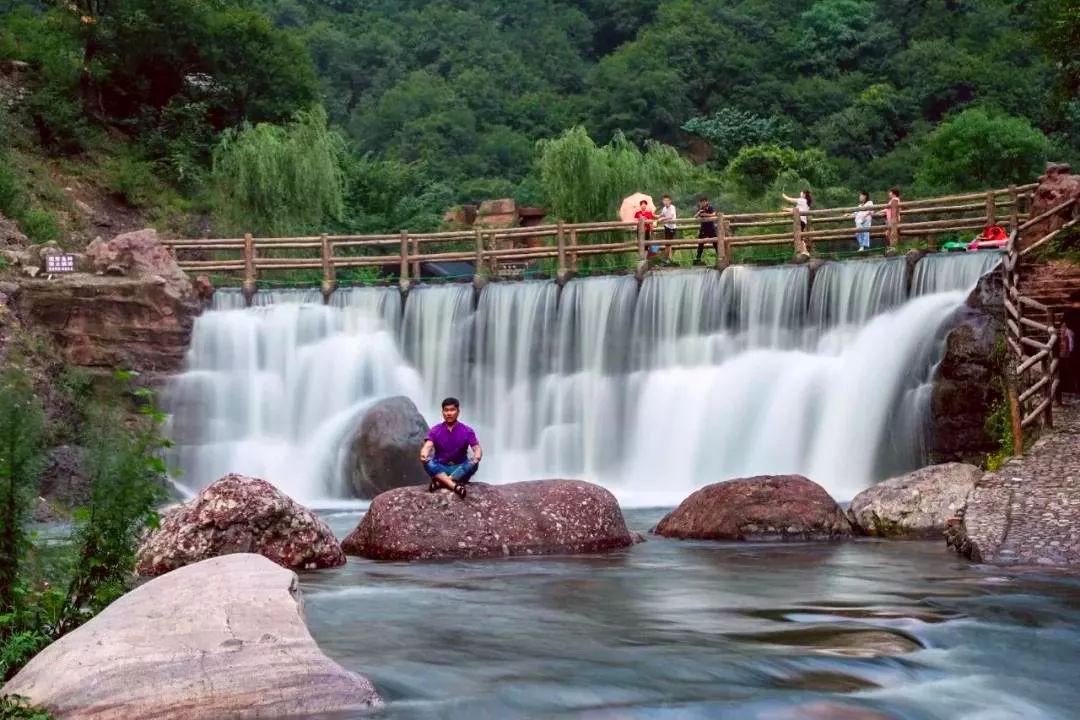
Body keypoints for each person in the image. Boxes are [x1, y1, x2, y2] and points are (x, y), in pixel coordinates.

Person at [419, 397, 482, 499]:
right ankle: (453, 485)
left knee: (474, 463)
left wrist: (477, 456)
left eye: (452, 410)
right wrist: (423, 454)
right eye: (446, 410)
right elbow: (427, 446)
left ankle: (442, 482)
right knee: (427, 462)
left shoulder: (467, 431)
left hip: (460, 468)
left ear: (458, 412)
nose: (449, 413)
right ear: (442, 412)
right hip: (440, 468)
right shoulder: (435, 430)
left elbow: (477, 448)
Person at [693, 195, 717, 265]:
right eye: (701, 202)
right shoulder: (700, 209)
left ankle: (720, 256)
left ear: (706, 202)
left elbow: (714, 214)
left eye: (704, 202)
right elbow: (695, 217)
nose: (702, 203)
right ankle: (698, 258)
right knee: (700, 243)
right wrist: (699, 212)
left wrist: (705, 215)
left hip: (710, 228)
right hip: (703, 228)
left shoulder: (710, 207)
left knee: (715, 243)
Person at [658, 194, 677, 264]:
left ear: (670, 201)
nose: (665, 202)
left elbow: (671, 217)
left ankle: (666, 259)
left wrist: (662, 218)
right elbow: (661, 215)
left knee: (668, 244)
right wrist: (654, 216)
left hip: (672, 227)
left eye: (667, 200)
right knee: (668, 244)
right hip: (666, 227)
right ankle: (668, 259)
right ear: (663, 201)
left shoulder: (672, 207)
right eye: (664, 200)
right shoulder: (664, 208)